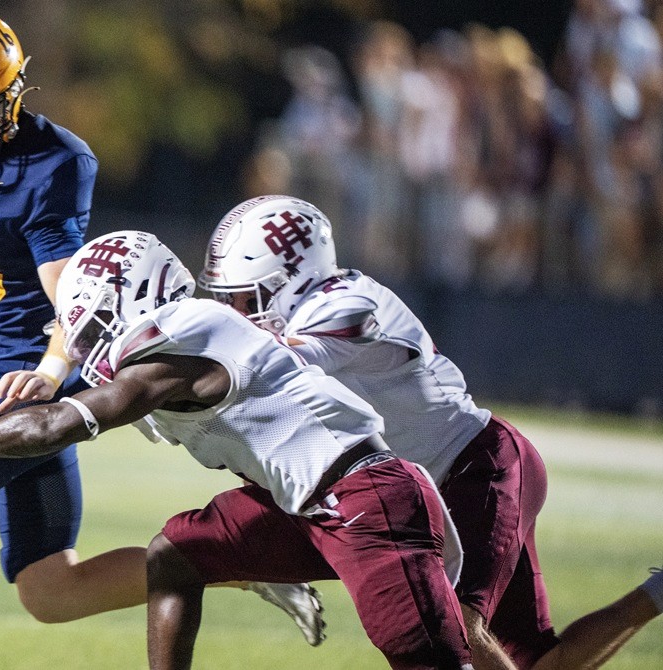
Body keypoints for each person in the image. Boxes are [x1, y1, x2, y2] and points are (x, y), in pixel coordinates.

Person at [0, 9, 321, 669]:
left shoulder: (51, 162)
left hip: (32, 370)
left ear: (11, 99)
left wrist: (51, 378)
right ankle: (238, 562)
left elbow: (74, 302)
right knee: (52, 591)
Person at [0, 230, 475, 670]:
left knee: (434, 660)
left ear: (137, 298)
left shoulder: (185, 333)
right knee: (177, 555)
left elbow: (60, 426)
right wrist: (40, 379)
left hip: (364, 502)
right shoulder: (180, 344)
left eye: (96, 324)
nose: (89, 346)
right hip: (311, 505)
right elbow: (105, 405)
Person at [197, 194, 663, 670]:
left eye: (244, 299)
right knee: (545, 663)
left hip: (476, 469)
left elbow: (267, 364)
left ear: (293, 277)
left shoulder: (345, 302)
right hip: (418, 495)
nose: (233, 314)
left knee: (455, 626)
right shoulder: (303, 315)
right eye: (225, 299)